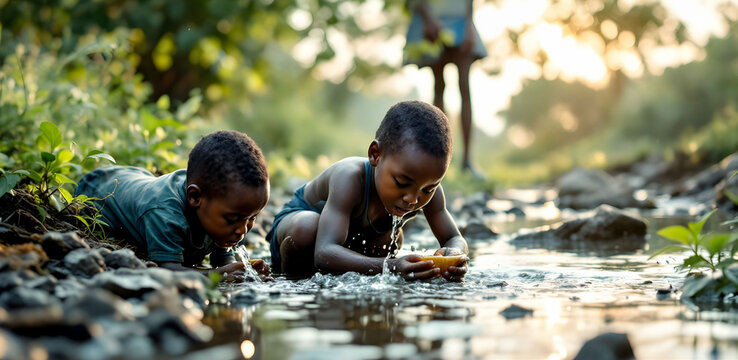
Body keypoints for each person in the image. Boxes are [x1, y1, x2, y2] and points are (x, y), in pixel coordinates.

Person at [267, 101, 469, 281]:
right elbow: (324, 252)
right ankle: (294, 284)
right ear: (375, 154)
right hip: (302, 236)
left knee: (393, 239)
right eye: (400, 182)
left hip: (348, 243)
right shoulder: (349, 177)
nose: (412, 198)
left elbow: (455, 238)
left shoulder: (425, 189)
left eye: (428, 189)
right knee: (307, 228)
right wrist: (391, 267)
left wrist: (455, 255)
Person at [75, 130, 272, 281]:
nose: (242, 230)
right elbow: (168, 269)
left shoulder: (222, 211)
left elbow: (223, 259)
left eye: (252, 218)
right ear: (195, 197)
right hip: (98, 188)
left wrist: (240, 271)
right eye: (234, 219)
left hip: (139, 182)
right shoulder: (165, 214)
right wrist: (222, 275)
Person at [404, 0, 487, 177]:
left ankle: (467, 161)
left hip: (460, 20)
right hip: (431, 19)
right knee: (439, 87)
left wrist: (469, 24)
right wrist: (428, 18)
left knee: (464, 88)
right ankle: (440, 158)